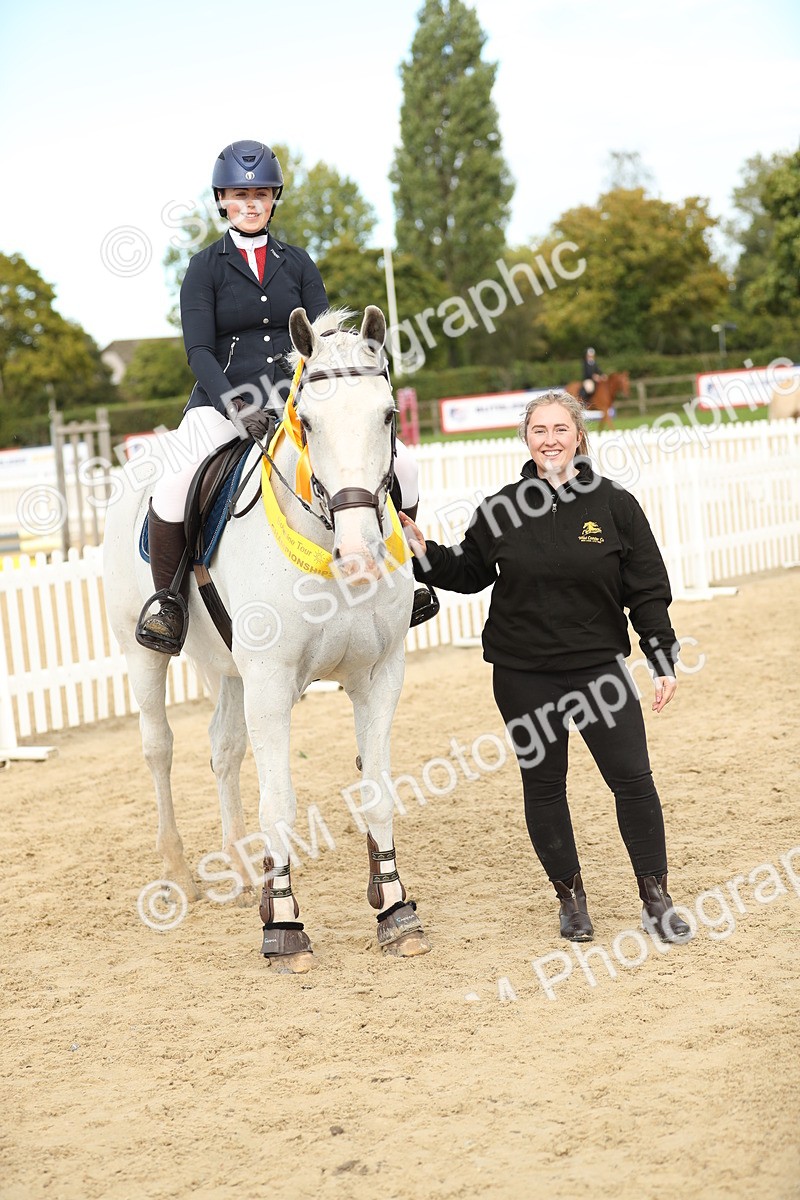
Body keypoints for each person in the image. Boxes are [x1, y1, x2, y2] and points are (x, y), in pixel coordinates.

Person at [399, 390, 692, 944]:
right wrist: (425, 553)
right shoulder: (501, 507)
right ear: (527, 440)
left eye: (561, 429)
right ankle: (571, 900)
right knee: (544, 785)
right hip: (522, 672)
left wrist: (661, 656)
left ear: (578, 437)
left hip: (599, 672)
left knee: (633, 782)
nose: (550, 439)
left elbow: (647, 588)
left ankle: (656, 898)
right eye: (539, 430)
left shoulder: (614, 505)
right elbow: (469, 570)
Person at [136, 139, 432, 654]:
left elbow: (323, 338)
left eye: (261, 194)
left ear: (274, 199)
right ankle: (168, 602)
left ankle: (410, 573)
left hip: (299, 402)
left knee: (402, 468)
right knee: (173, 483)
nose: (251, 204)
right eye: (239, 195)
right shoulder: (204, 267)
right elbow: (199, 351)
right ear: (222, 200)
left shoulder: (296, 262)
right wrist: (237, 407)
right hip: (223, 403)